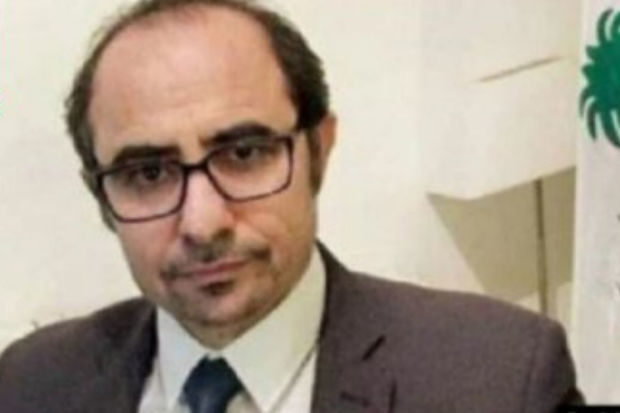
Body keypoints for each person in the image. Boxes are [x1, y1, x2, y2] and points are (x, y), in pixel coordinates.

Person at [0, 0, 582, 411]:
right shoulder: (30, 384)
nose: (203, 222)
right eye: (148, 173)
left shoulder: (500, 380)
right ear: (100, 196)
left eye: (244, 154)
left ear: (318, 152)